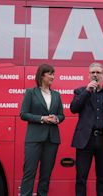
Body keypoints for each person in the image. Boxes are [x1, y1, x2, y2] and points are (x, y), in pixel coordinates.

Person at [70, 62, 103, 196]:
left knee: (102, 178)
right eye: (92, 72)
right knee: (81, 177)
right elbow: (73, 108)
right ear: (88, 75)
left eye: (98, 72)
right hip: (85, 141)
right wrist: (87, 91)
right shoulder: (80, 91)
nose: (95, 75)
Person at [20, 64, 65, 196]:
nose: (53, 77)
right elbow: (23, 114)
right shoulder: (30, 92)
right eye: (50, 74)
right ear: (42, 75)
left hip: (52, 139)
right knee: (29, 173)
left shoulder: (56, 95)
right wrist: (42, 118)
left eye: (53, 74)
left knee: (46, 175)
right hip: (34, 139)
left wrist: (56, 118)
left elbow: (62, 115)